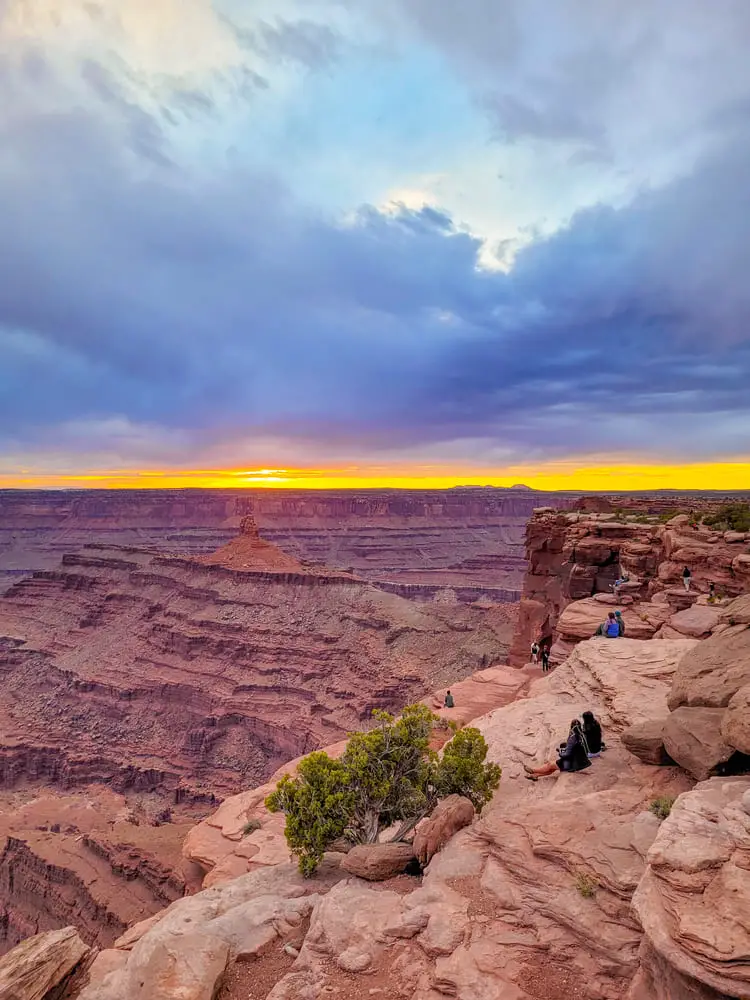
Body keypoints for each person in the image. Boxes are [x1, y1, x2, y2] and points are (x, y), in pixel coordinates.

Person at [524, 719, 591, 780]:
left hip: (573, 764)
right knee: (552, 767)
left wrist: (560, 752)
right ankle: (535, 775)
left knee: (550, 765)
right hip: (582, 760)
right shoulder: (582, 735)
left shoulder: (573, 737)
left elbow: (567, 754)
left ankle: (533, 770)